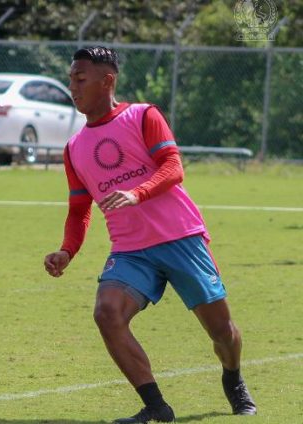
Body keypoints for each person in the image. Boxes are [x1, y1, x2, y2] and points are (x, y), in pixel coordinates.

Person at [43, 46, 256, 423]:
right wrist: (66, 251)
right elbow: (79, 209)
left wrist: (137, 192)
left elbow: (173, 167)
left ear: (107, 80)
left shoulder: (144, 115)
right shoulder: (74, 148)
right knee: (107, 313)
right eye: (70, 78)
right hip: (130, 250)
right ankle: (157, 407)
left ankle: (233, 376)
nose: (72, 87)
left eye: (80, 78)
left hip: (181, 239)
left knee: (222, 332)